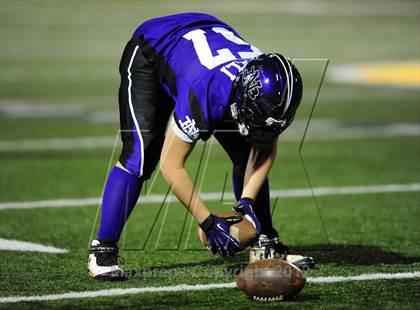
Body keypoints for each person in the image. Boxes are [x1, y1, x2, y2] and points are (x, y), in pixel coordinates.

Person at [88, 13, 314, 280]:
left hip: (206, 48)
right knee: (142, 155)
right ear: (243, 100)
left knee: (247, 151)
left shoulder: (265, 91)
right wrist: (208, 222)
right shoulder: (207, 91)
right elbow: (171, 164)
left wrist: (246, 204)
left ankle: (265, 243)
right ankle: (103, 251)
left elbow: (264, 147)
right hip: (151, 51)